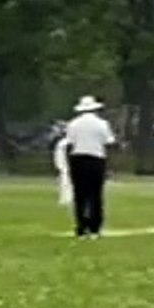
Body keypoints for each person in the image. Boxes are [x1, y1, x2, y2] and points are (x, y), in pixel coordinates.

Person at [64, 95, 116, 238]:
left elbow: (70, 143)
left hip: (78, 159)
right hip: (96, 159)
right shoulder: (102, 124)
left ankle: (81, 227)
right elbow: (109, 142)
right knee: (95, 195)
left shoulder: (73, 124)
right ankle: (95, 228)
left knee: (80, 195)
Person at [52, 126, 72, 207]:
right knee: (65, 183)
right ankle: (66, 199)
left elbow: (67, 154)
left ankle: (66, 199)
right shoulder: (64, 142)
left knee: (66, 183)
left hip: (64, 165)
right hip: (64, 165)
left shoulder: (64, 142)